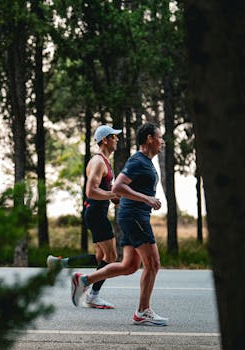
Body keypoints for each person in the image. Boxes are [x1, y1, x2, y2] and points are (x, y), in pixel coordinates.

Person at [70, 122, 168, 326]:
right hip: (133, 216)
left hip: (131, 214)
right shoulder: (137, 160)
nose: (162, 141)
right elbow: (118, 186)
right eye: (159, 137)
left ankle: (85, 281)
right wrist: (146, 199)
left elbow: (119, 189)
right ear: (149, 139)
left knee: (129, 265)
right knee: (153, 263)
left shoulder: (145, 162)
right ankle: (143, 311)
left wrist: (125, 199)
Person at [47, 125, 122, 309]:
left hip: (95, 211)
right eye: (114, 136)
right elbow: (91, 190)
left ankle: (61, 264)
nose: (117, 139)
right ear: (105, 140)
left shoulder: (104, 161)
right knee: (112, 257)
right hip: (96, 213)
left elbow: (100, 189)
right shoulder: (98, 162)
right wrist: (112, 195)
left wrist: (112, 196)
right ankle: (92, 295)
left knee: (100, 257)